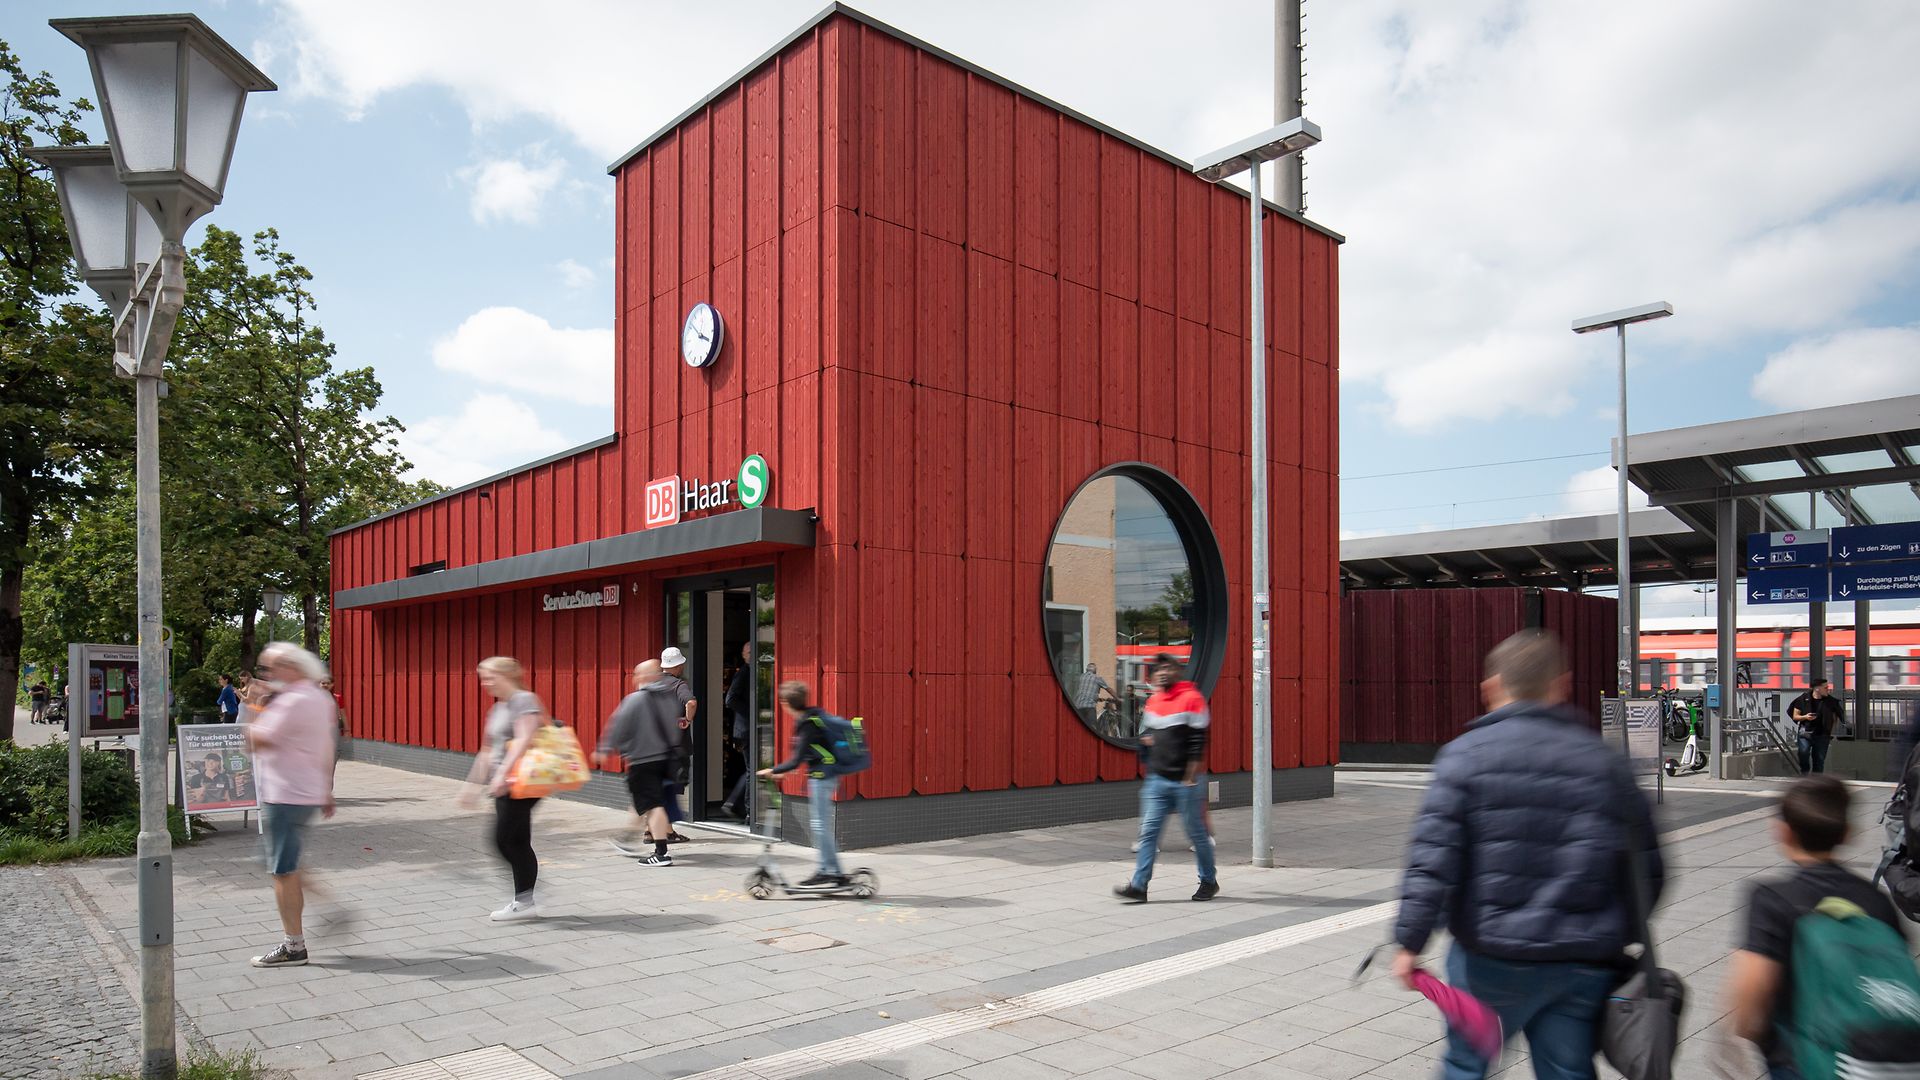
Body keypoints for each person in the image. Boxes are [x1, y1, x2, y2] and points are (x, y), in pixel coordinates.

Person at [1392, 629, 1663, 1080]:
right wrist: (1616, 934)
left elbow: (1433, 861)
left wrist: (1409, 942)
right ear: (1563, 685)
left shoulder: (1463, 758)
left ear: (1491, 687)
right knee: (1568, 1071)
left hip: (1488, 959)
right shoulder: (1606, 764)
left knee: (1465, 1067)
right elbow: (1648, 870)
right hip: (1581, 961)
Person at [1726, 775, 1910, 1078]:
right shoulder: (1877, 901)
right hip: (1876, 1060)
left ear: (1783, 832)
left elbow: (1751, 996)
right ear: (1848, 833)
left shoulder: (1771, 899)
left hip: (1802, 1060)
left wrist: (1753, 1039)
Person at [241, 643, 338, 968]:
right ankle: (331, 908)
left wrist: (253, 705)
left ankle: (293, 946)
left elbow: (255, 741)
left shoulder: (292, 700)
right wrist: (325, 790)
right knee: (283, 861)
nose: (266, 675)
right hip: (305, 793)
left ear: (290, 667)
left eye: (270, 668)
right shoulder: (320, 698)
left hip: (284, 794)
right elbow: (326, 744)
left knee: (282, 871)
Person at [1113, 654, 1218, 903]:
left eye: (1167, 668)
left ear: (1177, 672)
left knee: (1196, 833)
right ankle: (1139, 886)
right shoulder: (1154, 701)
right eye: (1158, 669)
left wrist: (1190, 776)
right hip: (1157, 781)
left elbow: (1198, 741)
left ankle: (1208, 881)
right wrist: (1147, 744)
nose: (1161, 673)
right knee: (1149, 833)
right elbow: (1147, 734)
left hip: (1185, 782)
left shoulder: (1192, 698)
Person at [462, 656, 548, 921]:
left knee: (504, 840)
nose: (485, 683)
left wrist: (502, 774)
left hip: (521, 781)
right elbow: (487, 750)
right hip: (506, 783)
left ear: (507, 676)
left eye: (490, 677)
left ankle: (526, 898)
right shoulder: (498, 708)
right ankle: (525, 899)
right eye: (483, 678)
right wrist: (472, 786)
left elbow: (525, 738)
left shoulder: (524, 700)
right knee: (516, 841)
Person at [594, 660, 685, 866]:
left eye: (637, 674)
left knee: (654, 806)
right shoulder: (671, 699)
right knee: (646, 801)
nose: (635, 678)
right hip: (665, 759)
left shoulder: (635, 700)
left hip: (643, 761)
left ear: (647, 676)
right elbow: (676, 729)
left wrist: (604, 750)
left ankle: (661, 853)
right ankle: (628, 840)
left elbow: (618, 727)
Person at [759, 681, 848, 887]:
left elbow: (796, 759)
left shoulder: (808, 724)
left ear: (785, 702)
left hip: (823, 778)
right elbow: (810, 754)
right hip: (823, 776)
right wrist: (783, 772)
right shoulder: (811, 717)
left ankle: (833, 872)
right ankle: (828, 870)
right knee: (820, 826)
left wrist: (772, 770)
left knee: (820, 826)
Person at [653, 647, 697, 843]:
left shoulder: (652, 685)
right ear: (678, 665)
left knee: (657, 788)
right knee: (670, 789)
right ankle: (668, 832)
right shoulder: (679, 685)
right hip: (676, 747)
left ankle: (650, 830)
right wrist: (687, 720)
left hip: (654, 745)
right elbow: (691, 703)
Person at [720, 641, 754, 819]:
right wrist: (752, 713)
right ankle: (745, 809)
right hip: (746, 728)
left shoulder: (750, 671)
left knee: (750, 769)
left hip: (745, 728)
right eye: (749, 652)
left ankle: (737, 805)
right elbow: (730, 699)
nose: (752, 655)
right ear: (744, 655)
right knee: (751, 769)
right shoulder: (744, 673)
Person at [1788, 679, 1845, 775]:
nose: (1828, 689)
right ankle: (1805, 774)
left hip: (1822, 734)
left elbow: (1836, 717)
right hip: (1805, 732)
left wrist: (1830, 730)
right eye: (1825, 687)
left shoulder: (1830, 701)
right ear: (1817, 688)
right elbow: (1795, 716)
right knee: (1803, 753)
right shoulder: (1803, 699)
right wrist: (1806, 717)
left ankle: (1816, 779)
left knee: (1819, 760)